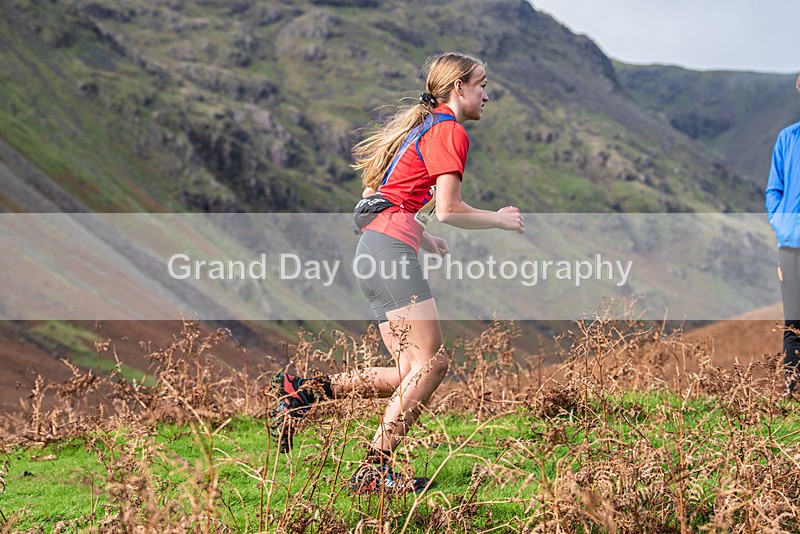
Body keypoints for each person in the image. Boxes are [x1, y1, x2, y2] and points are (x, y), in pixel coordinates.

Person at [270, 52, 524, 494]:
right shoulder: (448, 129)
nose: (488, 94)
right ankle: (373, 469)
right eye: (482, 84)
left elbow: (375, 195)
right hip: (388, 253)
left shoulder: (419, 127)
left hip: (372, 250)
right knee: (434, 364)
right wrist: (499, 218)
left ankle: (303, 391)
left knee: (410, 370)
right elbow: (447, 210)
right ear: (458, 88)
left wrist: (422, 239)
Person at [766, 73, 800, 395]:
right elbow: (773, 190)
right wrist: (783, 225)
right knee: (794, 322)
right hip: (792, 245)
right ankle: (792, 391)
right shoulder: (787, 139)